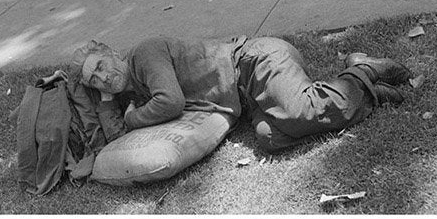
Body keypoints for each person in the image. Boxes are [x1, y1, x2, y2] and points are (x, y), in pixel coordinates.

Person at [70, 35, 416, 153]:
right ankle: (369, 92)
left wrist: (131, 116)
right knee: (269, 137)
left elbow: (170, 102)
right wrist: (102, 101)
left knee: (300, 112)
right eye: (94, 80)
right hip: (248, 99)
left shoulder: (144, 55)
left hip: (254, 62)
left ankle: (365, 70)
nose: (103, 77)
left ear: (112, 52)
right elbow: (115, 137)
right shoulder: (123, 90)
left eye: (100, 65)